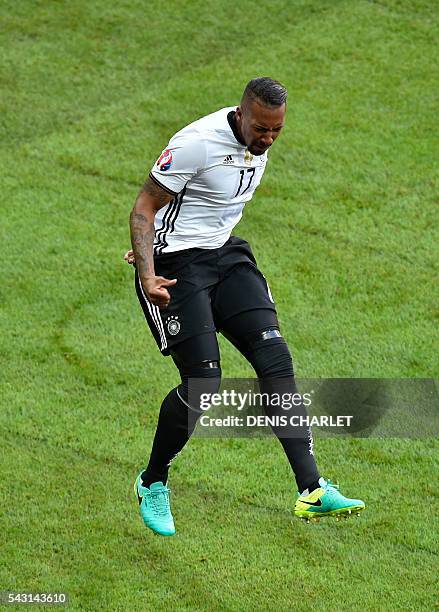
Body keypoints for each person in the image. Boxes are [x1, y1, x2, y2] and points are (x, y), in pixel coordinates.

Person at [126, 77, 365, 536]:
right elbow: (144, 207)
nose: (268, 139)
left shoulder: (259, 139)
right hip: (176, 269)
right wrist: (147, 268)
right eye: (261, 129)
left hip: (227, 257)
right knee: (203, 385)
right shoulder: (195, 143)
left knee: (276, 361)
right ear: (241, 115)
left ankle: (312, 490)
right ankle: (152, 481)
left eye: (276, 131)